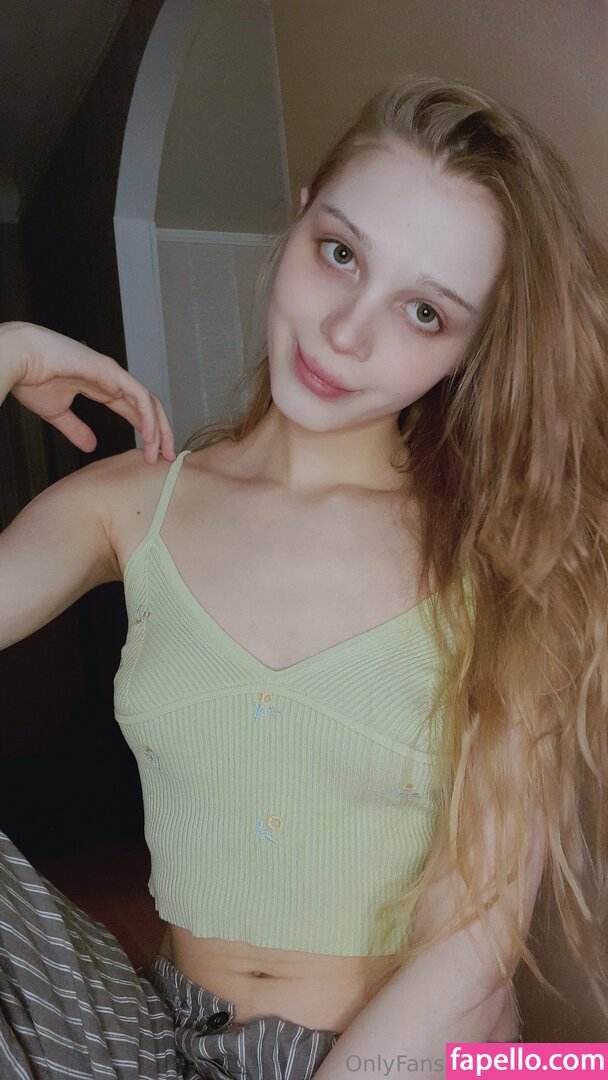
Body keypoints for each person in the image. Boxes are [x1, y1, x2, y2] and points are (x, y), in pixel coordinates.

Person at [0, 73, 606, 1078]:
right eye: (340, 254)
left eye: (423, 312)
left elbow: (473, 950)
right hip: (159, 1036)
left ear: (469, 348)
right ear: (298, 220)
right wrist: (4, 353)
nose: (345, 331)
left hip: (393, 1053)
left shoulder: (499, 559)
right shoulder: (130, 505)